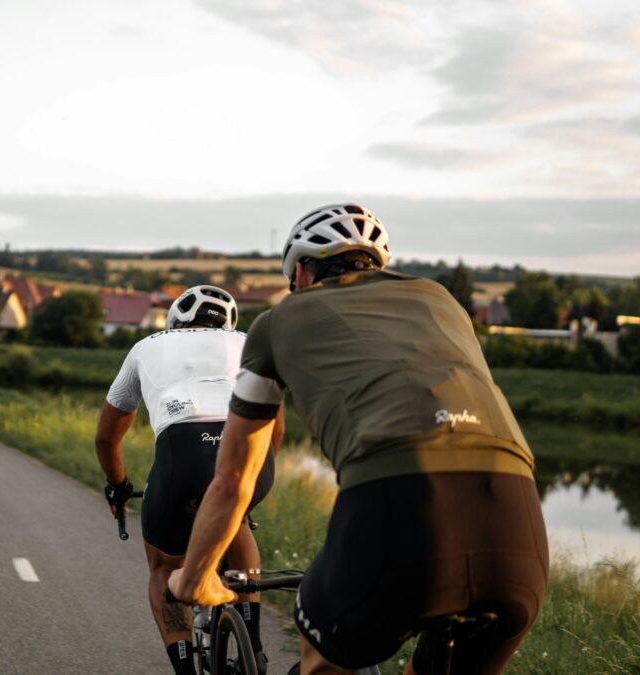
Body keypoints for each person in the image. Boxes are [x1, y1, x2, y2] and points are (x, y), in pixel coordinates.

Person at [168, 204, 548, 675]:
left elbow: (231, 481)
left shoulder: (277, 321)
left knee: (322, 659)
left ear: (302, 272)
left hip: (397, 504)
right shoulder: (442, 302)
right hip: (518, 525)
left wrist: (196, 577)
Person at [96, 285, 283, 675]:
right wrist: (253, 480)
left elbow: (107, 435)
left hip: (183, 451)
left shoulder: (148, 345)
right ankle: (255, 645)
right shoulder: (249, 341)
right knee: (236, 515)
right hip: (252, 450)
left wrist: (119, 485)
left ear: (175, 320)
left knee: (164, 569)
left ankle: (184, 668)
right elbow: (274, 427)